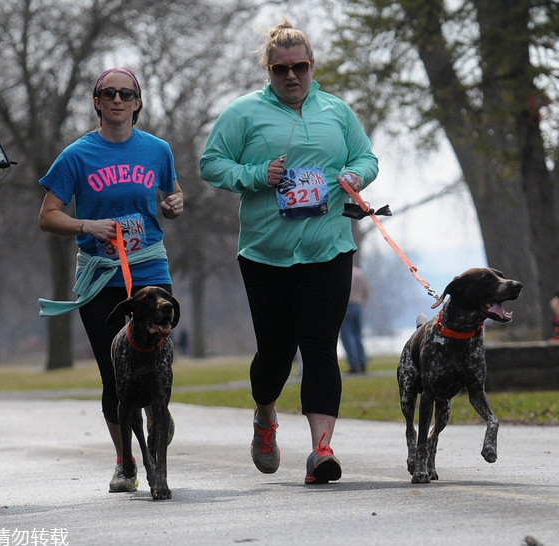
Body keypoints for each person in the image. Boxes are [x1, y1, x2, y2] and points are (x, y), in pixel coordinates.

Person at [199, 19, 378, 485]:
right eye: (282, 69)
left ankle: (322, 450)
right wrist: (257, 175)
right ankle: (264, 415)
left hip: (329, 248)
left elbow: (367, 158)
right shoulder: (243, 113)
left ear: (312, 66)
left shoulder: (337, 111)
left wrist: (354, 177)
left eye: (300, 66)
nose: (292, 76)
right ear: (269, 70)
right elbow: (211, 163)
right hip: (265, 254)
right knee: (276, 353)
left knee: (320, 347)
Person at [37, 67, 183, 492]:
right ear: (97, 101)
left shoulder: (157, 150)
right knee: (113, 373)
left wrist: (174, 204)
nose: (117, 100)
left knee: (157, 366)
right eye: (108, 93)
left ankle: (158, 421)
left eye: (126, 93)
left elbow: (171, 196)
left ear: (137, 103)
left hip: (150, 270)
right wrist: (87, 225)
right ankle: (125, 462)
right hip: (102, 277)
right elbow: (47, 216)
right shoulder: (76, 156)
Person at [340, 264, 369, 374]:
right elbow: (366, 291)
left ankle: (353, 364)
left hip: (347, 306)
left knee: (347, 336)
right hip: (358, 306)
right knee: (358, 335)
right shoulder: (360, 273)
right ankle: (362, 362)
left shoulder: (344, 272)